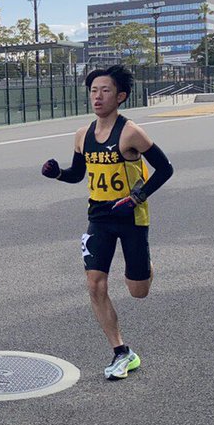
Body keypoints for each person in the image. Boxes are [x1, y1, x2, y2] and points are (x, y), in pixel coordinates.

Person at [41, 64, 173, 380]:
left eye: (106, 90)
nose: (98, 97)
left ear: (121, 96)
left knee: (138, 290)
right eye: (93, 91)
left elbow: (165, 169)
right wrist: (58, 173)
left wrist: (138, 196)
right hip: (98, 216)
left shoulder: (131, 133)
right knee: (94, 283)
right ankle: (121, 352)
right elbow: (77, 175)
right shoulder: (82, 135)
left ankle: (145, 267)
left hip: (131, 217)